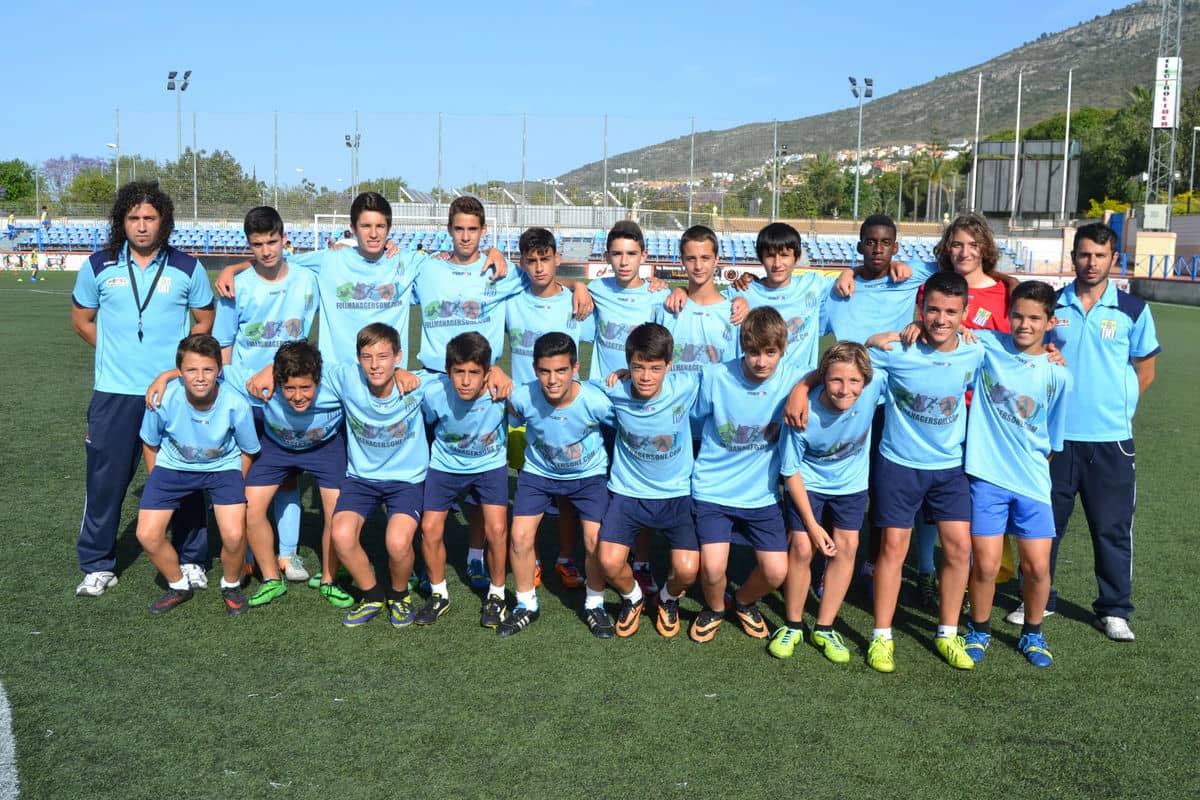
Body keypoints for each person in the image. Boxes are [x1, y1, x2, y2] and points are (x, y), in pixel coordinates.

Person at [1015, 222, 1159, 642]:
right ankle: (1038, 599)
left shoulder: (1133, 310)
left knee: (1112, 528)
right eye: (1084, 254)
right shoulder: (1053, 305)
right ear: (1073, 257)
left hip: (1110, 440)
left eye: (1100, 255)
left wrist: (1118, 408)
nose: (1091, 262)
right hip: (1056, 440)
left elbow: (1145, 370)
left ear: (1114, 259)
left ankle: (1113, 608)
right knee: (1043, 526)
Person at [70, 181, 215, 598]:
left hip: (173, 392)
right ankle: (98, 564)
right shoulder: (99, 266)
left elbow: (203, 321)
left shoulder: (187, 268)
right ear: (122, 222)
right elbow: (82, 321)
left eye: (150, 218)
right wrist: (113, 350)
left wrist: (179, 370)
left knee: (186, 475)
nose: (141, 225)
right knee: (105, 481)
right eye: (133, 218)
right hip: (114, 393)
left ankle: (192, 559)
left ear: (164, 222)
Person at [861, 271, 984, 672]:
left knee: (959, 548)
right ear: (921, 309)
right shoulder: (897, 349)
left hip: (950, 469)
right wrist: (869, 341)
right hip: (899, 464)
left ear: (965, 313)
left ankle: (947, 633)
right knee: (893, 549)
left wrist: (1051, 354)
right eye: (933, 309)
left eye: (951, 311)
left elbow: (1022, 350)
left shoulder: (975, 350)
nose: (941, 318)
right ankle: (882, 636)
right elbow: (848, 363)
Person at [961, 281, 1071, 667]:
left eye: (1035, 318)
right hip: (986, 477)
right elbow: (949, 326)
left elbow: (1052, 439)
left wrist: (1034, 470)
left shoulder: (1059, 375)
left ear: (1050, 321)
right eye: (1019, 316)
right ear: (1009, 314)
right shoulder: (987, 345)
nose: (1025, 325)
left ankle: (1033, 634)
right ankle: (978, 629)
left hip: (1032, 482)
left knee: (1037, 567)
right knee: (986, 565)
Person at [211, 206, 317, 582]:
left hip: (288, 398)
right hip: (244, 398)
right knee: (240, 478)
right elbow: (223, 344)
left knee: (287, 479)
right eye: (257, 245)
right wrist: (225, 396)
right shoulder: (235, 286)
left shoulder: (308, 278)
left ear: (284, 237)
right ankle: (245, 553)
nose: (267, 251)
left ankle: (288, 556)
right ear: (248, 245)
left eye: (272, 241)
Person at [688, 307, 801, 644]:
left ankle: (744, 601)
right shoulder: (716, 377)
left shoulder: (793, 379)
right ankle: (714, 608)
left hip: (761, 496)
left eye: (770, 353)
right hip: (712, 491)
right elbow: (693, 422)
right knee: (711, 569)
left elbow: (833, 372)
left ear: (783, 350)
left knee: (776, 571)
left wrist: (800, 389)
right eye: (753, 352)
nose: (761, 361)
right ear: (742, 348)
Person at [771, 342, 883, 663]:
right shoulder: (801, 412)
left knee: (847, 547)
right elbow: (790, 472)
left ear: (866, 380)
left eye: (853, 382)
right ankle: (792, 624)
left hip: (850, 484)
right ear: (823, 378)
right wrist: (813, 526)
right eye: (835, 380)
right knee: (803, 547)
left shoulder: (875, 386)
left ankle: (824, 626)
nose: (844, 390)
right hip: (808, 484)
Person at [136, 334, 259, 615]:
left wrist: (234, 486)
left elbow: (249, 450)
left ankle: (230, 584)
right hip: (172, 467)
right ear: (179, 372)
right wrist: (156, 479)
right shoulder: (163, 397)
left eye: (207, 369)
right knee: (147, 534)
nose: (200, 377)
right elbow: (150, 442)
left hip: (222, 469)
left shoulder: (235, 403)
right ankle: (178, 585)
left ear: (219, 370)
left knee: (234, 534)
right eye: (191, 370)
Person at [501, 333, 615, 638]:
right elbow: (503, 414)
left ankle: (595, 604)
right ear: (535, 369)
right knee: (520, 536)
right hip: (539, 474)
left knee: (595, 541)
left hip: (588, 476)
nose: (553, 380)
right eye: (545, 371)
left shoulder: (595, 400)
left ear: (575, 368)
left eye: (561, 370)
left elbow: (625, 425)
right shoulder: (522, 397)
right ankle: (526, 604)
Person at [502, 227, 596, 590]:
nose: (539, 267)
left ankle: (564, 558)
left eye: (545, 259)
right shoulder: (511, 300)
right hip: (523, 414)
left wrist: (579, 287)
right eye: (531, 260)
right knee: (527, 489)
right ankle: (534, 560)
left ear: (558, 258)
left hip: (569, 415)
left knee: (569, 492)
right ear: (522, 263)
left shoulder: (576, 304)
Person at [315, 323, 425, 628]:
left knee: (398, 542)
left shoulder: (419, 384)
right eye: (367, 357)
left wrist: (495, 372)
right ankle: (373, 595)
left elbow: (460, 373)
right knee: (341, 534)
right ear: (357, 359)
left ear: (398, 356)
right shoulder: (346, 378)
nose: (375, 365)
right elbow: (304, 366)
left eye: (383, 357)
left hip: (406, 481)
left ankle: (400, 595)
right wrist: (268, 369)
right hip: (362, 479)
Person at [229, 342, 353, 609]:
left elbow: (374, 372)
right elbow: (209, 371)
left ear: (318, 380)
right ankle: (272, 578)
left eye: (306, 388)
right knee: (248, 508)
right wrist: (165, 377)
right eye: (289, 388)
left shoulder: (336, 379)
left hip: (326, 447)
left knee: (338, 514)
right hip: (277, 448)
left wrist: (401, 373)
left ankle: (330, 579)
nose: (298, 396)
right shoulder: (260, 381)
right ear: (277, 379)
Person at [598, 323, 701, 638]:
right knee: (608, 562)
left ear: (669, 366)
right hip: (628, 493)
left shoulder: (688, 385)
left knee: (687, 570)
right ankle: (633, 598)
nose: (645, 377)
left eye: (655, 368)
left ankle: (667, 599)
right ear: (628, 364)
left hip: (677, 494)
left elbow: (738, 378)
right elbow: (572, 391)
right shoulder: (612, 390)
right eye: (638, 367)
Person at [586, 220, 669, 595]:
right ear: (606, 257)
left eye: (631, 254)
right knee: (600, 486)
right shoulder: (594, 290)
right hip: (603, 407)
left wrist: (674, 288)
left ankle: (643, 561)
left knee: (641, 486)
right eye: (617, 254)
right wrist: (575, 287)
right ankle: (586, 556)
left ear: (644, 257)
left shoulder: (657, 297)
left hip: (641, 409)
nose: (624, 261)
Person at [417, 332, 510, 629]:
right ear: (448, 372)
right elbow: (427, 420)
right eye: (459, 372)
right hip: (445, 466)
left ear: (487, 374)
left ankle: (497, 595)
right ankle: (438, 593)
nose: (466, 381)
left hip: (490, 465)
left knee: (497, 529)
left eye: (474, 373)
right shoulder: (433, 394)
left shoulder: (502, 393)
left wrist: (500, 374)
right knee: (430, 528)